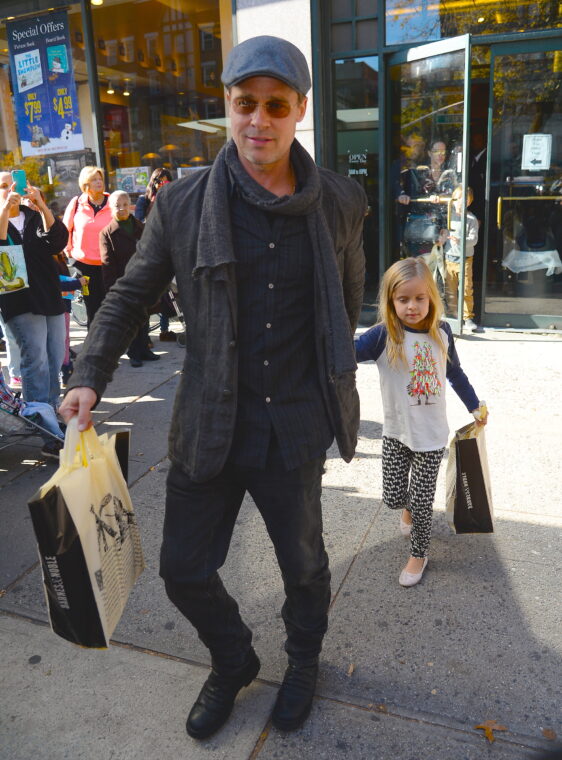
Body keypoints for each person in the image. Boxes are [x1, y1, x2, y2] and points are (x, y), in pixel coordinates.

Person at [60, 35, 367, 740]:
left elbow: (344, 307)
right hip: (210, 420)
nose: (258, 119)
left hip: (292, 426)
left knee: (305, 568)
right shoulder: (185, 203)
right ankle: (233, 660)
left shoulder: (340, 205)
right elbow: (130, 295)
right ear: (227, 105)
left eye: (275, 105)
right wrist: (88, 376)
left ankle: (302, 663)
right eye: (244, 104)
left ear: (299, 111)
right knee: (182, 569)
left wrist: (329, 394)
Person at [355, 258, 487, 587]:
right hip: (396, 434)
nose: (412, 306)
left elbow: (454, 372)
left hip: (430, 438)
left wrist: (474, 405)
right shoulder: (383, 335)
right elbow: (345, 353)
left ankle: (419, 553)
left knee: (423, 500)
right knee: (394, 496)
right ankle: (408, 508)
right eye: (403, 300)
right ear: (390, 301)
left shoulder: (440, 332)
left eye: (419, 298)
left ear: (431, 296)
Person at [0, 172, 69, 459]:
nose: (11, 189)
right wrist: (5, 208)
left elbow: (58, 241)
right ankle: (43, 426)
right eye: (4, 186)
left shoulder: (32, 215)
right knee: (36, 360)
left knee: (54, 357)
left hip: (48, 295)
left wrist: (42, 206)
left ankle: (51, 411)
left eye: (13, 184)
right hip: (19, 300)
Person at [99, 191, 160, 367]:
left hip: (143, 278)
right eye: (117, 205)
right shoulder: (107, 233)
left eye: (125, 205)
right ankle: (134, 352)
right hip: (123, 281)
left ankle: (145, 349)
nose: (122, 209)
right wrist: (112, 288)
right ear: (111, 208)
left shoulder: (140, 226)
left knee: (144, 316)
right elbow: (107, 263)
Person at [62, 166, 112, 328]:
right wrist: (69, 251)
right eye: (94, 180)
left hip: (109, 263)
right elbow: (65, 229)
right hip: (84, 265)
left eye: (100, 179)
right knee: (92, 305)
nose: (99, 182)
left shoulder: (112, 201)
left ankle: (113, 340)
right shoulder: (77, 203)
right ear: (86, 184)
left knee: (110, 305)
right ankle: (95, 343)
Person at [134, 168, 176, 342]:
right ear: (153, 183)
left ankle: (165, 330)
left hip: (171, 249)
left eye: (166, 181)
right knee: (153, 293)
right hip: (152, 250)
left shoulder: (175, 198)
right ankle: (146, 335)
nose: (162, 185)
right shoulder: (144, 200)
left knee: (170, 294)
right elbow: (138, 222)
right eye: (159, 181)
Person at [399, 138, 457, 259]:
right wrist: (430, 199)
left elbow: (454, 197)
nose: (440, 155)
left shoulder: (450, 174)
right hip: (423, 227)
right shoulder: (419, 173)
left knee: (441, 264)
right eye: (437, 151)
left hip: (443, 225)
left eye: (443, 152)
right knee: (423, 263)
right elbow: (414, 199)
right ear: (429, 153)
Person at [440, 185, 481, 332]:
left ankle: (467, 317)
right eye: (456, 199)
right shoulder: (449, 216)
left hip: (465, 260)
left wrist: (461, 240)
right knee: (450, 289)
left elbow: (474, 239)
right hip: (449, 257)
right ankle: (453, 315)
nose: (459, 203)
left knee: (465, 289)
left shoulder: (471, 219)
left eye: (464, 200)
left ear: (469, 202)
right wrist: (441, 238)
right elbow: (442, 234)